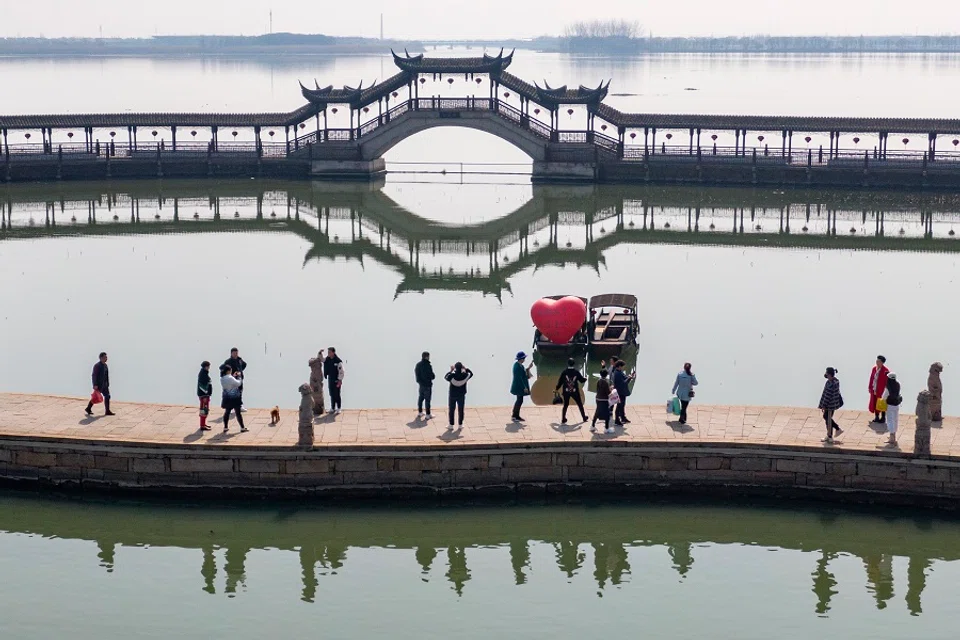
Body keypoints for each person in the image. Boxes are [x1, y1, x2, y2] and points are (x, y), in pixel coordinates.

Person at [555, 358, 589, 424]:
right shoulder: (576, 372)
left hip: (566, 391)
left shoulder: (564, 372)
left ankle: (563, 419)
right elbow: (581, 380)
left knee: (565, 405)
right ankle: (584, 417)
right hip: (574, 391)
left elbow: (560, 382)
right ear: (574, 364)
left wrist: (556, 389)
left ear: (568, 363)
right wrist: (585, 379)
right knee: (579, 404)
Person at [818, 367, 844, 443]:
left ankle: (833, 433)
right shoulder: (835, 381)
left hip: (829, 406)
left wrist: (823, 405)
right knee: (826, 418)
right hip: (832, 405)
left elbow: (827, 396)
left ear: (829, 374)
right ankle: (829, 434)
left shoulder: (831, 384)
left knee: (828, 419)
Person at [444, 362, 473, 430]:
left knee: (451, 410)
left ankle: (451, 425)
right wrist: (465, 368)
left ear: (455, 368)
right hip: (461, 395)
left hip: (452, 395)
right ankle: (460, 424)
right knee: (461, 410)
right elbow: (471, 374)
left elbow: (445, 377)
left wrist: (451, 371)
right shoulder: (465, 375)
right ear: (461, 367)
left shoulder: (452, 376)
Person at [84, 352, 115, 416]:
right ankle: (88, 408)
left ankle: (107, 411)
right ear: (100, 358)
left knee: (107, 396)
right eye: (104, 357)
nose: (106, 358)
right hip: (98, 385)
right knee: (95, 397)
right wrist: (95, 384)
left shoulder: (105, 366)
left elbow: (106, 375)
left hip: (105, 385)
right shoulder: (97, 366)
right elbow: (94, 375)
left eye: (106, 357)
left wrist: (108, 383)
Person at [220, 364, 247, 433]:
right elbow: (238, 383)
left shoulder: (222, 378)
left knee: (227, 412)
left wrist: (233, 376)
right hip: (234, 397)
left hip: (227, 397)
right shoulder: (230, 378)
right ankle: (242, 427)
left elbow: (230, 381)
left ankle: (225, 427)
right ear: (228, 371)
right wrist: (239, 377)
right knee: (238, 413)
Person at [510, 351, 533, 422]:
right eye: (524, 358)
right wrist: (524, 387)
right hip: (518, 386)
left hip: (519, 386)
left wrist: (529, 368)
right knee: (519, 400)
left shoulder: (520, 365)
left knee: (519, 400)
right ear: (521, 359)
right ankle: (514, 415)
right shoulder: (517, 367)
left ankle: (516, 415)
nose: (524, 359)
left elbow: (523, 375)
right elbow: (519, 378)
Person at [612, 360, 635, 425]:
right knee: (619, 406)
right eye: (622, 367)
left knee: (622, 405)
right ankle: (617, 420)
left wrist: (630, 377)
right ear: (619, 366)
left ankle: (623, 417)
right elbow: (623, 383)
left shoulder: (619, 372)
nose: (623, 368)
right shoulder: (618, 374)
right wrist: (629, 378)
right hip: (620, 392)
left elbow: (625, 378)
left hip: (622, 392)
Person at [591, 369, 613, 434]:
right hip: (604, 400)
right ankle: (606, 428)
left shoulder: (599, 381)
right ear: (606, 375)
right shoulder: (606, 383)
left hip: (598, 399)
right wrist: (611, 389)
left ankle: (592, 426)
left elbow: (598, 390)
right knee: (607, 414)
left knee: (597, 412)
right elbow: (608, 393)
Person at [883, 372, 903, 445]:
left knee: (890, 420)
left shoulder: (888, 387)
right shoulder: (898, 384)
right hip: (896, 404)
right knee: (895, 420)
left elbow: (884, 397)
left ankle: (892, 438)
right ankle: (894, 436)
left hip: (890, 405)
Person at [868, 355, 889, 424]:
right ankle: (876, 417)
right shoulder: (874, 369)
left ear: (882, 363)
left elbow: (887, 382)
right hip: (874, 389)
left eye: (879, 361)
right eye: (877, 361)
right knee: (874, 403)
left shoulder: (885, 371)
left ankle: (883, 418)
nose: (877, 362)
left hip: (881, 390)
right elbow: (872, 378)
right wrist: (870, 387)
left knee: (881, 403)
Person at [323, 347, 344, 414]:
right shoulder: (327, 359)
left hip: (337, 380)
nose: (328, 353)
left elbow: (342, 371)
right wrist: (319, 353)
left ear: (333, 352)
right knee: (331, 394)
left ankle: (339, 408)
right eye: (328, 352)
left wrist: (340, 380)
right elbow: (322, 359)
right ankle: (332, 408)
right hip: (330, 379)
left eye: (329, 352)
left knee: (337, 394)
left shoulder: (338, 361)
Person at [415, 351, 436, 419]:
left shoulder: (418, 364)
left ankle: (420, 412)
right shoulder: (428, 365)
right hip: (427, 385)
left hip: (421, 384)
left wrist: (419, 381)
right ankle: (428, 414)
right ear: (426, 357)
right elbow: (431, 375)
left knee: (421, 398)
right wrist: (432, 377)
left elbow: (417, 374)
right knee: (427, 400)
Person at [308, 351, 326, 416]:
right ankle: (316, 409)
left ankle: (319, 409)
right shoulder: (313, 372)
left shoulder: (318, 371)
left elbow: (321, 378)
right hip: (315, 387)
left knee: (319, 398)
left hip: (318, 387)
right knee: (315, 398)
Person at [197, 361, 213, 431]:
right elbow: (202, 386)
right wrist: (206, 394)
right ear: (205, 366)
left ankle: (203, 423)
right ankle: (202, 425)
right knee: (203, 410)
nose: (209, 367)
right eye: (208, 366)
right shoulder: (203, 374)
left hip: (205, 395)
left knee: (205, 410)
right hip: (204, 396)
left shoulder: (204, 373)